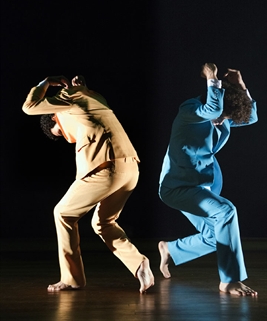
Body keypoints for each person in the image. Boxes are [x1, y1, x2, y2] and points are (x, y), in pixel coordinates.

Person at [22, 75, 154, 293]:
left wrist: (45, 83)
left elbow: (29, 107)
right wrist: (81, 87)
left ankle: (72, 278)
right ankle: (139, 265)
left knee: (63, 213)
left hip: (107, 168)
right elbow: (88, 107)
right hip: (130, 167)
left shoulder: (66, 98)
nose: (67, 137)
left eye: (61, 132)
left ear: (55, 116)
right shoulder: (93, 97)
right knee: (103, 223)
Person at [158, 63, 258, 296]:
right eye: (224, 115)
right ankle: (229, 280)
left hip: (203, 186)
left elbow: (250, 117)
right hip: (178, 187)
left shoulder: (221, 116)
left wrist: (240, 86)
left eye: (227, 117)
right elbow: (214, 111)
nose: (223, 121)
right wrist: (212, 78)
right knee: (226, 211)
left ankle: (172, 250)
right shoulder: (190, 110)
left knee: (217, 236)